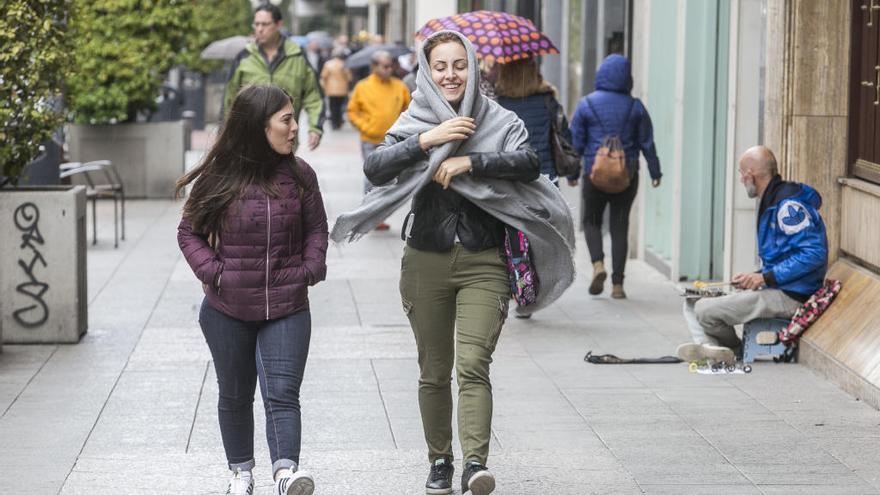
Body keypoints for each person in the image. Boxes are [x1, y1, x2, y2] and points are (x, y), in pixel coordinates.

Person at [330, 30, 575, 495]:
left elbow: (528, 163)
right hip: (426, 257)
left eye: (459, 64)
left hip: (485, 259)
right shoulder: (416, 116)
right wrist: (428, 140)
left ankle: (474, 465)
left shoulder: (499, 119)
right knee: (433, 370)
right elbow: (376, 168)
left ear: (474, 68)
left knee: (473, 365)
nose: (450, 74)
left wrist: (471, 163)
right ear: (426, 70)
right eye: (440, 65)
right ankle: (440, 460)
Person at [176, 85, 328, 495]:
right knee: (236, 392)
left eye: (294, 118)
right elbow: (188, 233)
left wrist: (310, 270)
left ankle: (285, 473)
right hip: (226, 307)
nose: (295, 128)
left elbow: (317, 229)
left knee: (282, 392)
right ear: (259, 126)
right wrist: (215, 273)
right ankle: (240, 473)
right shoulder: (218, 178)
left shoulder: (299, 175)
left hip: (288, 304)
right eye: (286, 120)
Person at [677, 146, 828, 362]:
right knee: (693, 301)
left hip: (792, 295)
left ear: (750, 175)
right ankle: (713, 349)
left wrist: (764, 277)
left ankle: (730, 351)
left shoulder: (787, 207)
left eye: (741, 174)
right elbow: (786, 256)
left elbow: (814, 254)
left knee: (703, 310)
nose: (740, 180)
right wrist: (756, 276)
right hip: (780, 287)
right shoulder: (774, 200)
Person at [569, 54, 662, 299]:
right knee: (620, 225)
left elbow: (575, 142)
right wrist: (655, 171)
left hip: (594, 173)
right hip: (626, 175)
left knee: (591, 221)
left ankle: (598, 264)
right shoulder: (636, 106)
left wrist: (572, 172)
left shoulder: (586, 104)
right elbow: (647, 143)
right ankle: (618, 285)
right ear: (627, 77)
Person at [224, 3, 325, 152]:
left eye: (265, 24)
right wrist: (225, 134)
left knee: (283, 175)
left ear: (278, 24)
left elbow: (313, 96)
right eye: (256, 24)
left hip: (285, 142)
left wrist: (315, 128)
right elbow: (230, 99)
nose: (259, 29)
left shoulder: (297, 56)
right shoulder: (244, 57)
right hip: (249, 142)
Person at [347, 49, 411, 230]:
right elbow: (352, 112)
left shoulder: (400, 86)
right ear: (374, 66)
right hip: (370, 139)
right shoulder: (362, 86)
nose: (389, 69)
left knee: (388, 179)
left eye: (391, 66)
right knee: (371, 177)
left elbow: (408, 111)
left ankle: (378, 215)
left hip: (393, 141)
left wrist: (402, 130)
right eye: (384, 66)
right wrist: (366, 126)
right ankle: (368, 215)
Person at [495, 57, 572, 186]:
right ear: (533, 72)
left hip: (511, 178)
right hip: (546, 176)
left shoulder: (497, 104)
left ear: (504, 73)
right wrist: (573, 174)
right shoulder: (548, 101)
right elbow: (565, 136)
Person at [320, 50, 352, 130]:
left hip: (331, 89)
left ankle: (334, 123)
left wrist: (324, 86)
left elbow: (323, 76)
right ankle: (338, 122)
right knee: (340, 106)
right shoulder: (344, 64)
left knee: (332, 106)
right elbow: (349, 78)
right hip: (342, 89)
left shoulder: (328, 64)